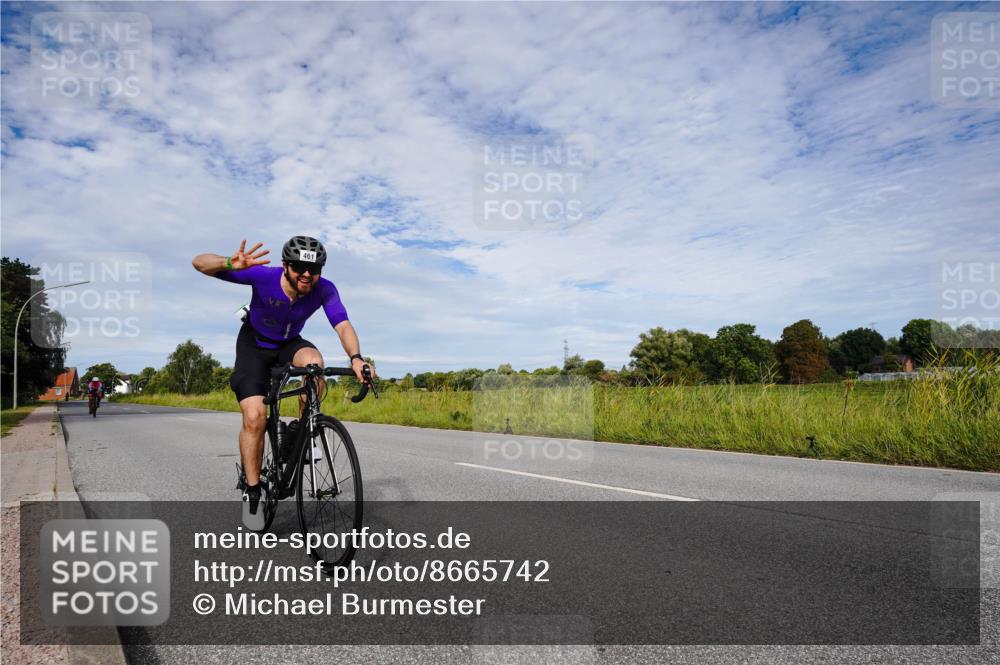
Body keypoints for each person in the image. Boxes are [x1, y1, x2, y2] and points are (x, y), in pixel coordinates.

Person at [192, 236, 375, 530]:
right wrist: (229, 263)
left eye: (314, 269)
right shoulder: (263, 276)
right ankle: (253, 493)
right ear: (286, 265)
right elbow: (199, 263)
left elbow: (341, 323)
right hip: (255, 346)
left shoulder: (324, 289)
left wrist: (356, 358)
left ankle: (303, 431)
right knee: (255, 417)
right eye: (300, 267)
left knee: (315, 364)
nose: (307, 275)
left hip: (289, 344)